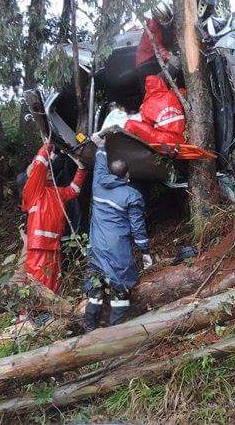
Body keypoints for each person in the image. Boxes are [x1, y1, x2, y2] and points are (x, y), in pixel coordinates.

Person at [84, 134, 153, 331]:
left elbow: (99, 163)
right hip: (117, 250)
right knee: (120, 290)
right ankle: (116, 333)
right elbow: (138, 228)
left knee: (95, 288)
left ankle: (89, 328)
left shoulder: (98, 184)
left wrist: (101, 145)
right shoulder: (132, 195)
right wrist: (145, 252)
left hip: (96, 246)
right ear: (127, 176)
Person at [20, 142, 86, 292]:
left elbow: (73, 190)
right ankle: (29, 314)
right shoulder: (34, 191)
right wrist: (48, 145)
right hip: (39, 245)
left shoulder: (55, 191)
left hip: (53, 244)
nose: (49, 170)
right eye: (46, 169)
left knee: (54, 279)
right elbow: (39, 165)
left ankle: (49, 311)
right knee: (39, 281)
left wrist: (81, 170)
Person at [124, 73, 186, 144]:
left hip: (164, 141)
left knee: (130, 123)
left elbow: (147, 125)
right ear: (162, 83)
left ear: (147, 88)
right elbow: (183, 92)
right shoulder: (174, 94)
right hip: (182, 137)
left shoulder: (146, 105)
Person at [135, 2, 179, 75]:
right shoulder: (152, 26)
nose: (166, 22)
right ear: (157, 18)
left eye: (167, 18)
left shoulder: (165, 27)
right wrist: (169, 57)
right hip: (146, 62)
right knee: (156, 84)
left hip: (153, 59)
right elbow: (158, 46)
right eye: (163, 19)